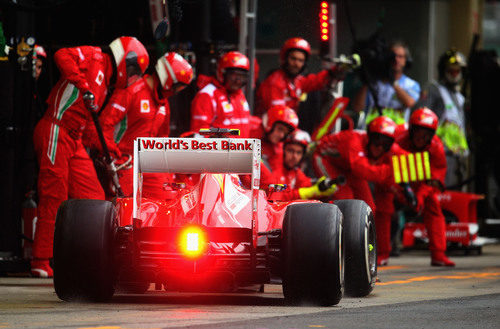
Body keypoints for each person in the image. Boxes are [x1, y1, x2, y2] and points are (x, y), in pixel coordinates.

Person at [31, 36, 149, 278]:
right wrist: (80, 84)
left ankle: (84, 258)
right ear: (125, 58)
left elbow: (91, 129)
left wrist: (110, 149)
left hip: (73, 139)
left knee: (94, 200)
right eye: (134, 67)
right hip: (57, 128)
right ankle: (41, 259)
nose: (133, 73)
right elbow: (62, 54)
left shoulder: (105, 83)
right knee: (54, 194)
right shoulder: (95, 56)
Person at [94, 52, 194, 199]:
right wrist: (110, 157)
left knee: (169, 198)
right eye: (177, 87)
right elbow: (105, 125)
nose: (176, 92)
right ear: (167, 78)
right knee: (125, 207)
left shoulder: (163, 104)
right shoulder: (131, 90)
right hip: (123, 161)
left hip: (150, 163)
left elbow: (162, 138)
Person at [396, 107, 455, 266]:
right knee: (383, 206)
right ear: (411, 130)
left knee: (433, 206)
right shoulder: (398, 139)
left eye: (426, 134)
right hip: (395, 179)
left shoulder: (436, 147)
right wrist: (401, 189)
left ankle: (438, 254)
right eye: (418, 132)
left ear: (432, 135)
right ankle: (380, 253)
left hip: (422, 181)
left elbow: (435, 178)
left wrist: (420, 196)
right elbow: (386, 165)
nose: (421, 138)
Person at [313, 116, 399, 213]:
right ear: (369, 137)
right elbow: (362, 170)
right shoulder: (354, 141)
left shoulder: (388, 148)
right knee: (344, 198)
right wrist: (391, 170)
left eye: (386, 144)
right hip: (326, 159)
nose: (380, 147)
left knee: (369, 207)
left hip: (349, 167)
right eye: (377, 140)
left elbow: (406, 157)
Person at [416, 49, 469, 188]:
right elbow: (419, 121)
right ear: (443, 71)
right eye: (451, 71)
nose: (455, 75)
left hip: (456, 158)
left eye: (458, 71)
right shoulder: (434, 90)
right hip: (438, 156)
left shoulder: (458, 97)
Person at [255, 37, 345, 116]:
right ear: (284, 58)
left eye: (301, 60)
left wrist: (334, 71)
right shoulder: (274, 83)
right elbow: (276, 116)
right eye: (293, 59)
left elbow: (315, 81)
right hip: (270, 131)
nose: (296, 64)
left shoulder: (297, 81)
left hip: (285, 128)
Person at [352, 40, 420, 127]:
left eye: (400, 56)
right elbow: (357, 108)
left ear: (406, 60)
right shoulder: (374, 83)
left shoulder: (411, 84)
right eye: (393, 56)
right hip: (371, 132)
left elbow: (409, 103)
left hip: (397, 134)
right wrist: (367, 80)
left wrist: (393, 82)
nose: (396, 60)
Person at [190, 51, 254, 137]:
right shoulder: (207, 95)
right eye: (234, 76)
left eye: (242, 77)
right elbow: (199, 132)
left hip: (243, 149)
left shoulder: (239, 94)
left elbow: (243, 125)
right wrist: (222, 135)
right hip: (220, 149)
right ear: (222, 73)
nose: (238, 81)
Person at [251, 104, 299, 172]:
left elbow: (275, 174)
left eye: (285, 133)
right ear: (269, 123)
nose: (282, 135)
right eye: (280, 129)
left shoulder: (277, 148)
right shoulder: (251, 127)